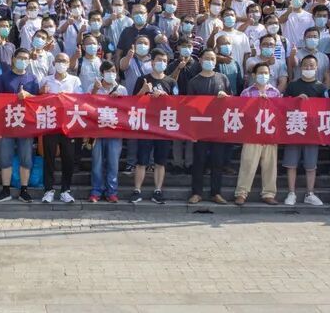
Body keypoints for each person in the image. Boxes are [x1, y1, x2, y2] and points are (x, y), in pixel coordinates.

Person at [129, 49, 175, 204]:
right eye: (158, 60)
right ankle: (137, 190)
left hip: (163, 126)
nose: (161, 63)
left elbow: (178, 104)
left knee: (160, 161)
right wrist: (143, 91)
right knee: (142, 160)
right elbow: (132, 102)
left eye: (164, 61)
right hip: (146, 125)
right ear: (152, 62)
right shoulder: (142, 79)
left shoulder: (171, 82)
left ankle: (158, 191)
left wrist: (166, 97)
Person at [186, 49, 232, 204]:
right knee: (199, 160)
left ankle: (216, 193)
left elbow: (232, 101)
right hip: (200, 126)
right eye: (207, 58)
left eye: (212, 58)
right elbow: (189, 106)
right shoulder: (194, 82)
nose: (210, 61)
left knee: (217, 161)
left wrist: (226, 97)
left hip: (218, 126)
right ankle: (196, 193)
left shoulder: (222, 78)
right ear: (200, 60)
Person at [0, 49, 39, 203]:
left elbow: (37, 101)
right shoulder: (3, 78)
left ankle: (24, 190)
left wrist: (28, 96)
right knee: (5, 157)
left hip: (25, 124)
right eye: (20, 57)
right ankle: (5, 189)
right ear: (13, 59)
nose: (22, 60)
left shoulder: (32, 79)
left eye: (26, 58)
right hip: (6, 124)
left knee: (25, 157)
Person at [233, 63, 280, 206]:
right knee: (248, 163)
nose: (263, 75)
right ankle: (241, 193)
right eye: (260, 73)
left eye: (266, 73)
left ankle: (269, 194)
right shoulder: (247, 92)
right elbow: (241, 112)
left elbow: (280, 113)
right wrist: (255, 103)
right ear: (254, 75)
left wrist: (268, 103)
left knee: (270, 165)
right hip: (252, 133)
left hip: (269, 134)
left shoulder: (275, 92)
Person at [282, 55, 325, 207]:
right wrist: (296, 100)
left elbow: (326, 109)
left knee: (311, 165)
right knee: (291, 163)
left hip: (313, 131)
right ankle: (291, 193)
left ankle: (310, 193)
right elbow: (283, 105)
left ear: (317, 68)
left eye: (311, 65)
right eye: (305, 65)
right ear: (300, 67)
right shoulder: (293, 86)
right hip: (294, 128)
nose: (308, 68)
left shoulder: (321, 87)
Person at [40, 53, 82, 203]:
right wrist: (42, 93)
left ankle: (65, 190)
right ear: (53, 63)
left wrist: (66, 98)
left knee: (68, 158)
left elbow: (80, 100)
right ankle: (48, 190)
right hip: (51, 124)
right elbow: (39, 101)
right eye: (58, 60)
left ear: (69, 63)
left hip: (68, 125)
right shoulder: (46, 80)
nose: (61, 63)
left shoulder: (75, 80)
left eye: (64, 61)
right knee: (49, 158)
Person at [89, 61, 126, 203]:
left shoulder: (121, 89)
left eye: (113, 71)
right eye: (108, 71)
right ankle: (96, 191)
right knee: (97, 162)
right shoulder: (93, 86)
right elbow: (85, 105)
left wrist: (119, 100)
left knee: (113, 163)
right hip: (96, 130)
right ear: (102, 73)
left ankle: (112, 192)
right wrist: (94, 90)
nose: (111, 74)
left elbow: (127, 110)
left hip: (114, 130)